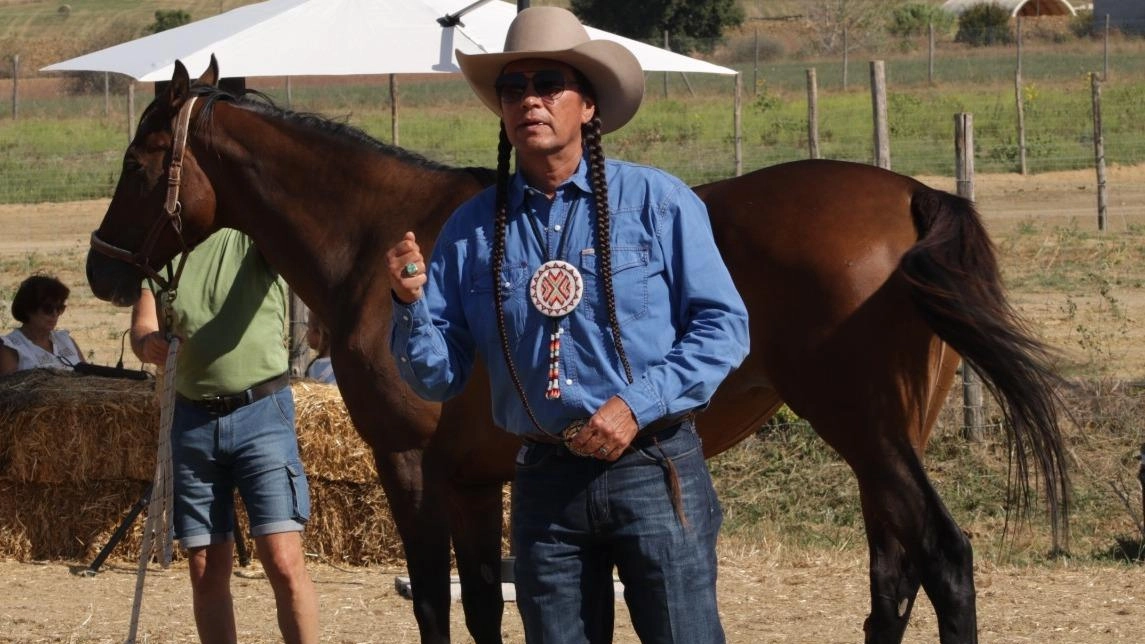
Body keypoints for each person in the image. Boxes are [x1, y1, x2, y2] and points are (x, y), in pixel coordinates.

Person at [385, 7, 749, 643]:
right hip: (545, 483)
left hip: (654, 466)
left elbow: (724, 328)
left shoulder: (658, 203)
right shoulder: (472, 231)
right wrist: (410, 305)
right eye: (513, 87)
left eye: (549, 83)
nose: (530, 100)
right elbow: (439, 377)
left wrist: (635, 407)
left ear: (588, 106)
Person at [130, 229, 318, 644]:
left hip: (262, 414)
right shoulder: (161, 254)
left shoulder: (250, 237)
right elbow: (142, 328)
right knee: (204, 567)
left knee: (284, 561)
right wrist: (150, 344)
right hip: (192, 421)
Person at [1, 274, 85, 375]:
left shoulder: (66, 341)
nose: (55, 314)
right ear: (28, 309)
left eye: (59, 308)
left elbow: (89, 378)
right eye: (48, 309)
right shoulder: (11, 348)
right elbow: (7, 389)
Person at [303, 315, 336, 384]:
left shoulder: (315, 368)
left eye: (309, 327)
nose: (307, 332)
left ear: (320, 332)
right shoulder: (348, 365)